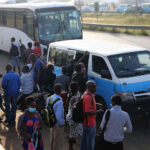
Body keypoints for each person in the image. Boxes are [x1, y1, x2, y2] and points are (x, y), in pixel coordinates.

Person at [80, 80, 103, 150]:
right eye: (94, 86)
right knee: (90, 143)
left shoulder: (87, 93)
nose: (96, 88)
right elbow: (87, 112)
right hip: (89, 124)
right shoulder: (88, 97)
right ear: (89, 87)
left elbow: (88, 105)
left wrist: (96, 104)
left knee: (85, 142)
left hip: (87, 123)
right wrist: (98, 111)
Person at [46, 84, 65, 150]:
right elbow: (58, 117)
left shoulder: (49, 98)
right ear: (61, 91)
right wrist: (62, 124)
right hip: (57, 125)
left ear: (54, 90)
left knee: (52, 140)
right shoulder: (59, 102)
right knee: (57, 143)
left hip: (51, 123)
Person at [66, 82, 82, 150]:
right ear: (77, 88)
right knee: (74, 133)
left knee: (72, 132)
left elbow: (68, 107)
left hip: (72, 117)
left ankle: (71, 146)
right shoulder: (78, 95)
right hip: (75, 116)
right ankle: (71, 146)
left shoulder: (70, 96)